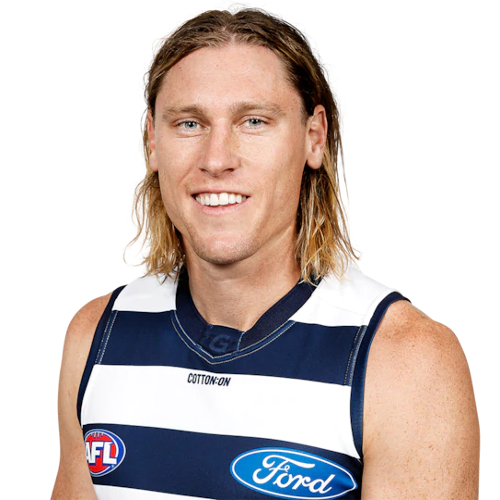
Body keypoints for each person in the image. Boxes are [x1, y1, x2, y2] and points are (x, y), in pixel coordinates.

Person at [50, 2, 480, 499]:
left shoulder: (406, 361)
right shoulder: (95, 336)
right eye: (188, 123)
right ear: (151, 142)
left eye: (253, 121)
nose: (216, 159)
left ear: (314, 137)